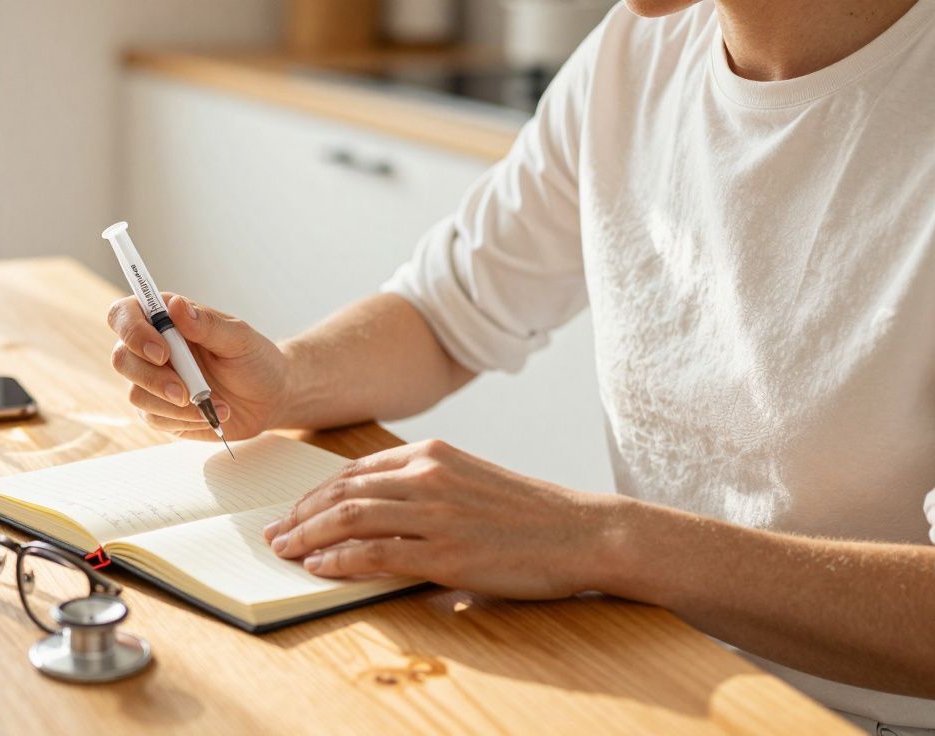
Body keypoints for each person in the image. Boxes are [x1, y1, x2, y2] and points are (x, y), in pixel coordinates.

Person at [107, 0, 935, 729]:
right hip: (656, 665)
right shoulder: (636, 53)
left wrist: (604, 540)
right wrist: (289, 378)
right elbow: (447, 311)